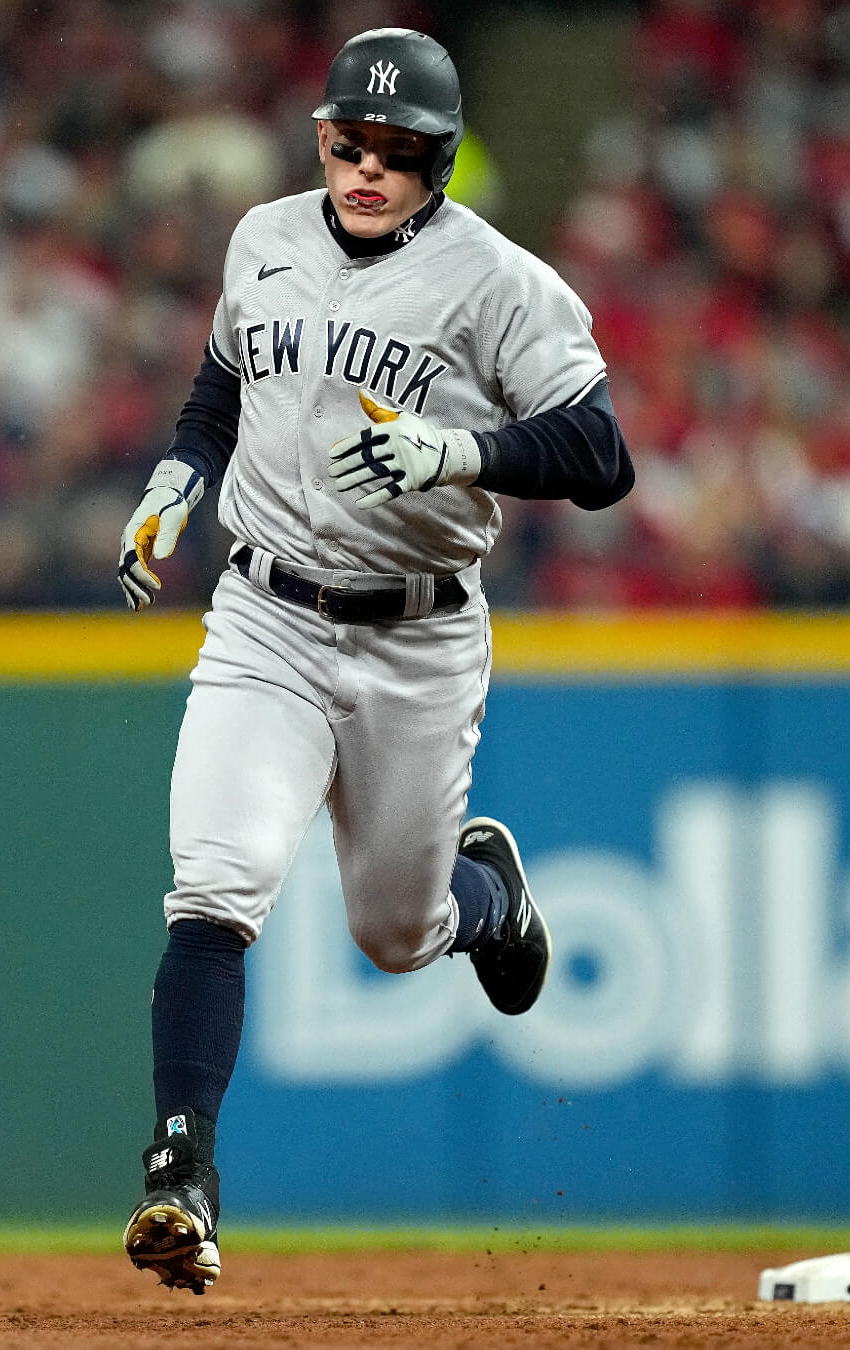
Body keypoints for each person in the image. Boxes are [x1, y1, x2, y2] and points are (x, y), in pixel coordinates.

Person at [114, 27, 634, 1294]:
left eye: (396, 152)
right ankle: (182, 1173)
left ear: (440, 159)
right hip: (266, 615)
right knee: (215, 883)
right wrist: (178, 479)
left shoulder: (496, 279)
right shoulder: (266, 238)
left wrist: (461, 454)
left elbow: (601, 452)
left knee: (395, 934)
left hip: (416, 634)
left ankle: (486, 897)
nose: (365, 168)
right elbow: (222, 382)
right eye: (348, 142)